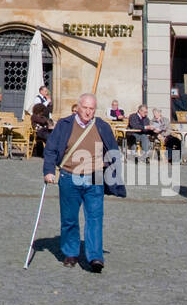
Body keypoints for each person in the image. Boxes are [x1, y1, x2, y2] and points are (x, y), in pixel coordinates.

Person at [43, 92, 125, 273]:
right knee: (69, 218)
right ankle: (71, 253)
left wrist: (108, 165)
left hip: (94, 177)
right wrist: (49, 171)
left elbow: (112, 149)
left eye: (92, 109)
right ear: (78, 107)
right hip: (69, 175)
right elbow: (51, 149)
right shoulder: (65, 125)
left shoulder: (102, 126)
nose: (88, 112)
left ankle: (95, 256)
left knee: (95, 218)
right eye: (85, 108)